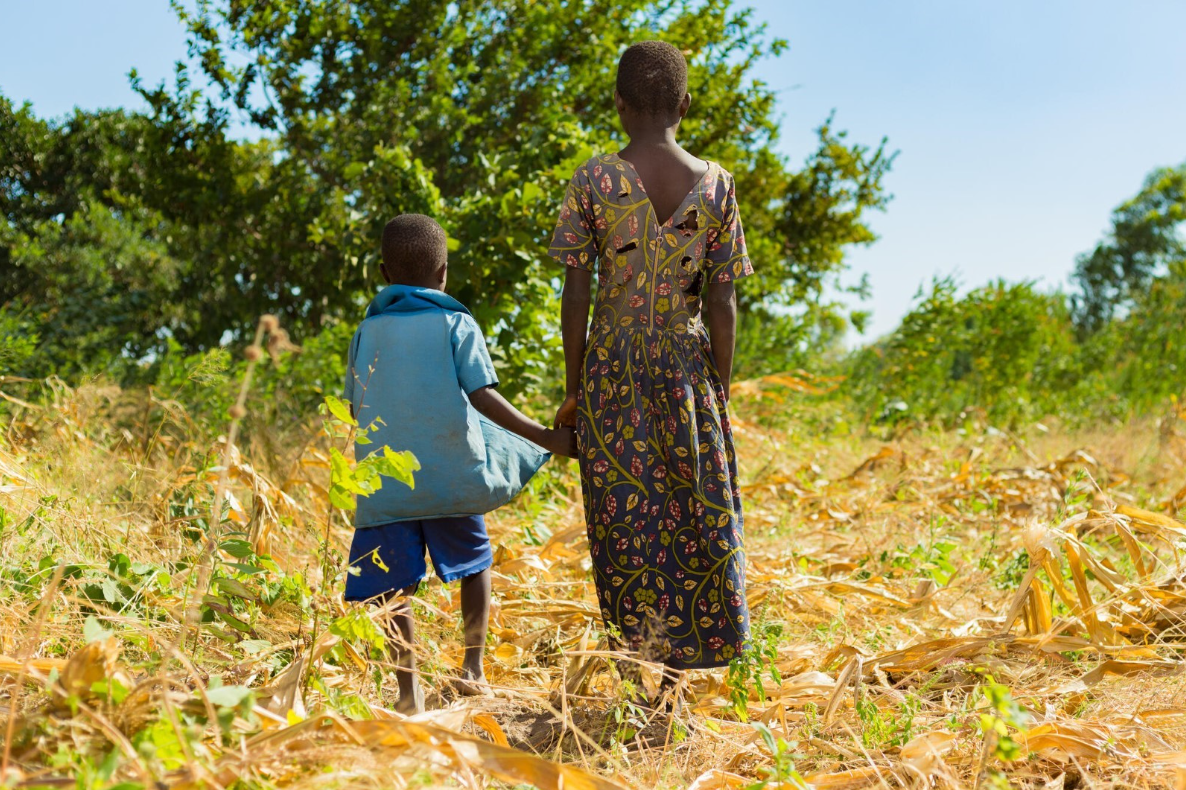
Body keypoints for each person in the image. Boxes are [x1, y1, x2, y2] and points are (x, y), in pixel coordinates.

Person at [549, 41, 752, 688]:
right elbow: (722, 299)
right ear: (685, 105)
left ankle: (639, 678)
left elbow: (576, 292)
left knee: (625, 517)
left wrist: (574, 385)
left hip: (611, 369)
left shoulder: (594, 180)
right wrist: (718, 383)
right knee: (692, 511)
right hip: (687, 365)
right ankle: (676, 685)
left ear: (618, 105)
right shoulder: (718, 185)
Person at [343, 213, 576, 714]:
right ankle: (472, 669)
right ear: (443, 272)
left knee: (388, 583)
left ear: (383, 273)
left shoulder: (366, 332)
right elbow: (484, 397)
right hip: (451, 472)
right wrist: (542, 437)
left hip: (386, 485)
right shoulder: (455, 322)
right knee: (474, 563)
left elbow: (352, 407)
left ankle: (408, 694)